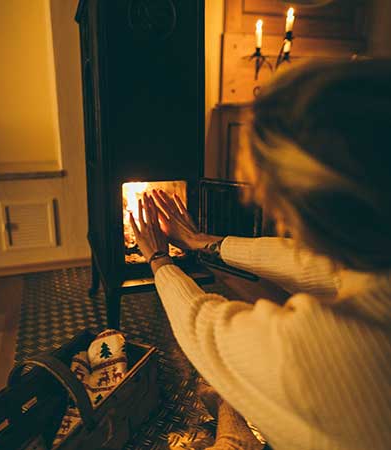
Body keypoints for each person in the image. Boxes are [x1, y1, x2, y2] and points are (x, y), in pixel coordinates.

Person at [129, 60, 391, 450]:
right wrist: (204, 242)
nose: (258, 199)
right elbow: (318, 266)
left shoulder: (327, 351)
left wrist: (158, 259)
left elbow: (206, 328)